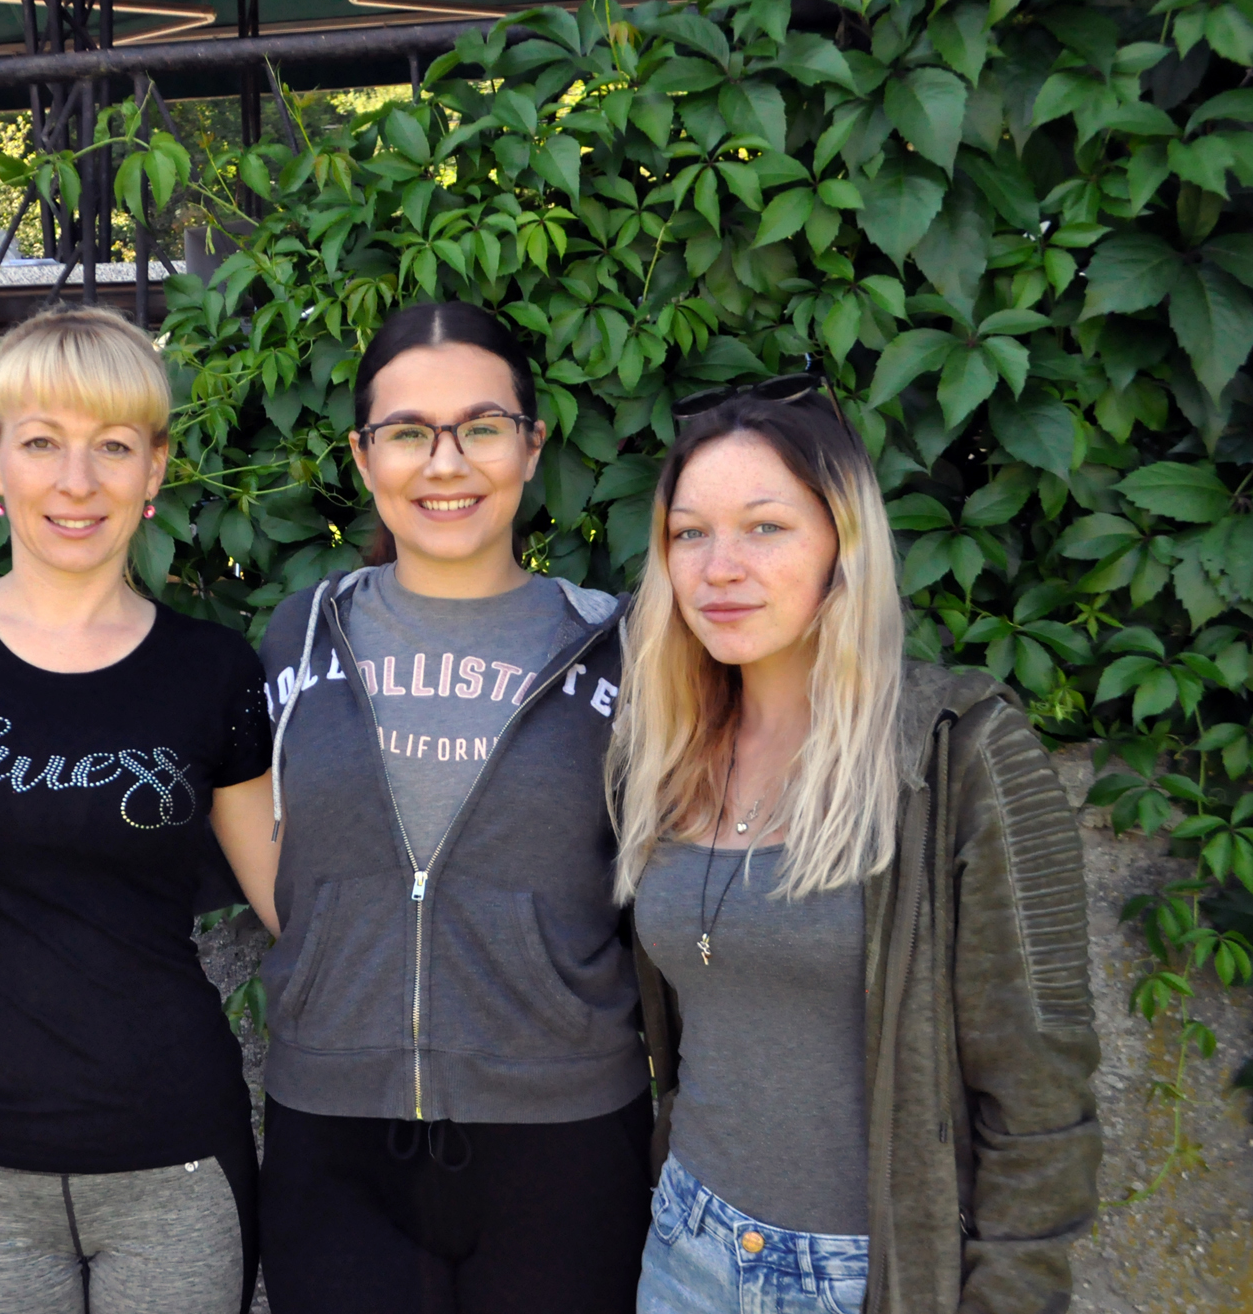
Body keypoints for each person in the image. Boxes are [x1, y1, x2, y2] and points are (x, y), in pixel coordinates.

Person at [609, 378, 1101, 1313]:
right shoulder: (665, 754)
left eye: (765, 527)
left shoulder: (957, 753)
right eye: (689, 533)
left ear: (845, 545)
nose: (719, 568)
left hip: (862, 1276)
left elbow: (1041, 1093)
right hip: (682, 1246)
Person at [0, 305, 278, 1313]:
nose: (76, 481)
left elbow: (290, 897)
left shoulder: (212, 671)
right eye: (42, 442)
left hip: (176, 1159)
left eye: (113, 446)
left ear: (155, 468)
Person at [255, 301, 653, 1313]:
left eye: (481, 426)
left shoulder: (622, 647)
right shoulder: (299, 635)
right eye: (407, 432)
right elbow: (270, 857)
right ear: (362, 456)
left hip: (563, 1133)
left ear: (532, 444)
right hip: (333, 1134)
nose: (446, 463)